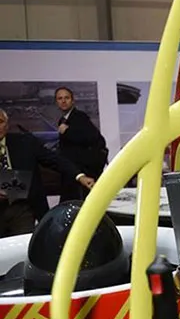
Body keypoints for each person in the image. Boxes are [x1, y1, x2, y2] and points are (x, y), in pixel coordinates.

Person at [0, 109, 95, 237]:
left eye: (0, 122)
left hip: (23, 209)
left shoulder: (25, 142)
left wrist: (80, 176)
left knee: (22, 246)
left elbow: (54, 160)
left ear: (7, 124)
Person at [54, 86, 108, 202]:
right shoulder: (63, 120)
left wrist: (68, 132)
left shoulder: (80, 117)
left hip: (82, 172)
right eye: (60, 98)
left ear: (73, 100)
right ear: (56, 102)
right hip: (72, 171)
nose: (63, 101)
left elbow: (93, 138)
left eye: (66, 98)